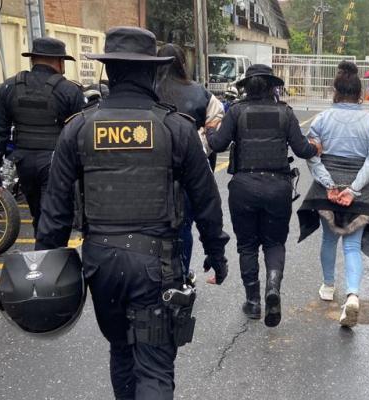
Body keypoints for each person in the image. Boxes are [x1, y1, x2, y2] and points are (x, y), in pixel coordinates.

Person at [34, 27, 230, 400]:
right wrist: (216, 254)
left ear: (109, 72)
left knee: (121, 351)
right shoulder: (176, 128)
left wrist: (43, 269)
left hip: (100, 264)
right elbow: (206, 200)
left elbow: (55, 209)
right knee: (154, 367)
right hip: (156, 267)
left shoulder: (77, 128)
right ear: (152, 73)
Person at [207, 64, 320, 328]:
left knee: (247, 245)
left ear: (246, 86)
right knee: (274, 243)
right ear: (272, 87)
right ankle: (273, 287)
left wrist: (211, 129)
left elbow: (218, 144)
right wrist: (316, 147)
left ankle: (254, 302)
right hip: (277, 187)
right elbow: (303, 149)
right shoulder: (285, 113)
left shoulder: (235, 112)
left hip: (244, 186)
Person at [297, 61, 369, 327]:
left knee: (328, 239)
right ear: (361, 94)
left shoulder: (322, 119)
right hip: (359, 194)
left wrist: (329, 184)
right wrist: (354, 188)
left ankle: (327, 286)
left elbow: (312, 156)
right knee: (353, 245)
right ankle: (353, 294)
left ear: (335, 91)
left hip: (327, 192)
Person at [0, 37, 84, 236]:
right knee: (55, 217)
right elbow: (80, 136)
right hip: (57, 164)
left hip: (24, 163)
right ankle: (50, 260)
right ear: (59, 62)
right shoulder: (69, 90)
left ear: (33, 60)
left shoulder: (10, 87)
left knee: (39, 215)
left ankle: (42, 254)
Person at [156, 43, 225, 273]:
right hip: (190, 175)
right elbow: (216, 125)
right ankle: (181, 275)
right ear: (183, 64)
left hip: (152, 174)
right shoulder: (200, 92)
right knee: (184, 227)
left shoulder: (147, 90)